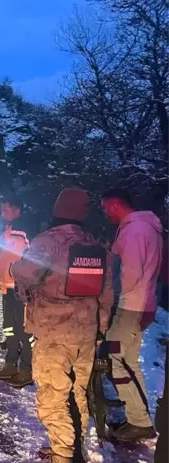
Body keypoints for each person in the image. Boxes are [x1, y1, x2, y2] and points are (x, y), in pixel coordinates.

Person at [11, 188, 113, 463]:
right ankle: (75, 452)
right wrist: (99, 330)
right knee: (77, 394)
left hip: (54, 333)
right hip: (86, 333)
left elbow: (26, 273)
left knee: (54, 398)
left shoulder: (48, 242)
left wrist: (17, 269)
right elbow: (106, 295)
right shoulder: (96, 245)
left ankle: (62, 462)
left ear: (58, 210)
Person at [101, 188, 162, 441]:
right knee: (128, 360)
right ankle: (138, 416)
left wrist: (112, 292)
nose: (104, 213)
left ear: (115, 205)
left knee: (116, 357)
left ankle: (140, 422)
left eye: (105, 207)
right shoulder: (144, 228)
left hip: (131, 306)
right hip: (141, 304)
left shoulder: (135, 230)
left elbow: (131, 271)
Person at [0, 195, 35, 388]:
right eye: (1, 210)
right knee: (9, 326)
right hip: (7, 287)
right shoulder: (7, 230)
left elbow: (34, 258)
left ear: (17, 210)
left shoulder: (27, 230)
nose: (2, 213)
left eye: (6, 210)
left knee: (24, 329)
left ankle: (27, 368)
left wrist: (25, 281)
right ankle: (10, 364)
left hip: (20, 288)